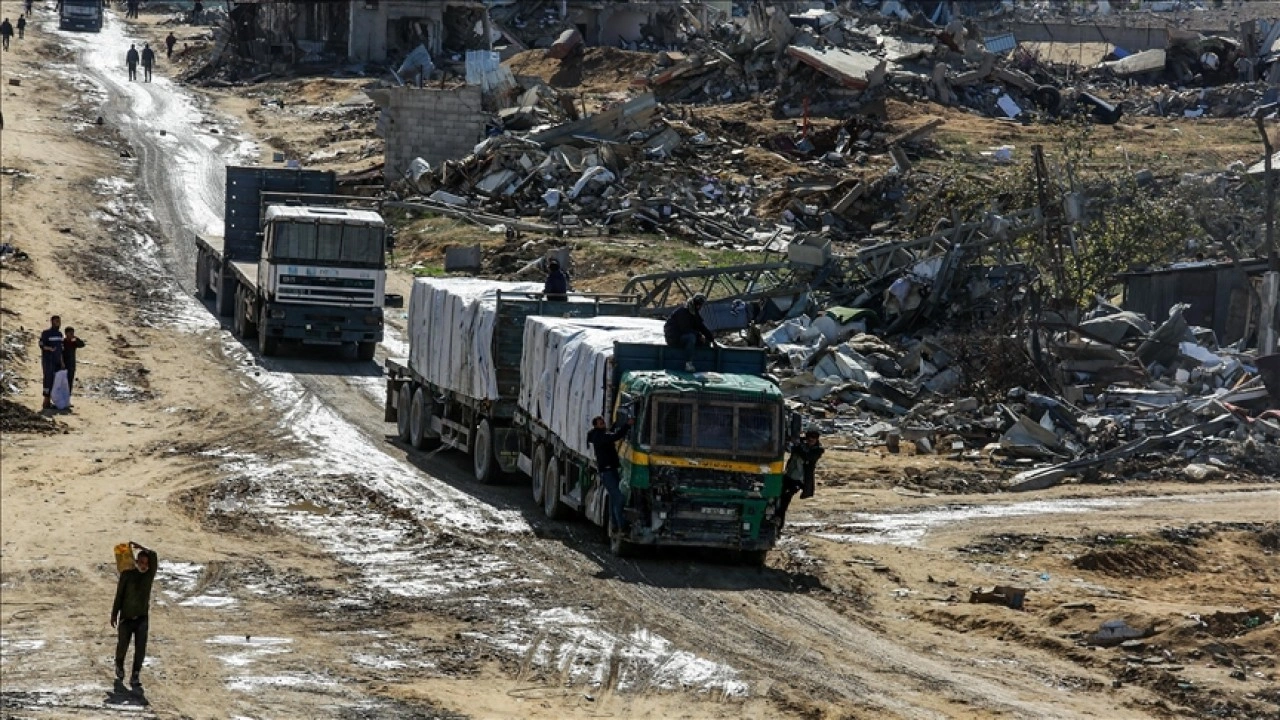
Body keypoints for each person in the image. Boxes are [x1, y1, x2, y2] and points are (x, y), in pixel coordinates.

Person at [111, 541, 158, 689]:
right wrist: (114, 614)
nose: (144, 565)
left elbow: (154, 555)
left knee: (140, 648)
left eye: (146, 563)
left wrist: (143, 547)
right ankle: (119, 665)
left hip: (142, 618)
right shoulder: (127, 575)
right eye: (142, 562)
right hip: (126, 618)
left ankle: (135, 673)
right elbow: (119, 595)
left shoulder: (148, 576)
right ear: (136, 561)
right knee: (122, 646)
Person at [587, 415, 631, 535]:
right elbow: (614, 436)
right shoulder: (600, 436)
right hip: (607, 473)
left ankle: (614, 526)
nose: (603, 424)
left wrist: (616, 424)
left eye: (603, 422)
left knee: (613, 499)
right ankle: (621, 526)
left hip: (611, 471)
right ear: (596, 425)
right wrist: (627, 425)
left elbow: (610, 433)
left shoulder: (600, 434)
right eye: (601, 423)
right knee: (619, 498)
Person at [778, 429, 823, 531]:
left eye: (814, 438)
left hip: (798, 480)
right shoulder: (800, 444)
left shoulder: (817, 450)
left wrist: (797, 446)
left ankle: (779, 525)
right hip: (788, 476)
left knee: (785, 500)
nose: (811, 440)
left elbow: (808, 457)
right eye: (809, 438)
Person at [663, 294, 715, 372]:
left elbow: (701, 327)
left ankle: (705, 366)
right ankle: (688, 363)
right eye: (698, 305)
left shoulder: (694, 313)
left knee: (705, 342)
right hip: (674, 338)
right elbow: (685, 329)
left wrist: (712, 340)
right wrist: (699, 335)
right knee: (691, 337)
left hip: (684, 336)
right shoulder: (683, 311)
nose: (699, 307)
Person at [38, 316, 64, 410]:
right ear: (52, 322)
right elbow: (41, 344)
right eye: (57, 321)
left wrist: (62, 362)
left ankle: (55, 401)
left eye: (59, 321)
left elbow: (61, 349)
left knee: (56, 381)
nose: (58, 323)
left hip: (57, 361)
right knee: (48, 379)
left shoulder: (60, 334)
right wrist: (49, 349)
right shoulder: (46, 333)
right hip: (48, 360)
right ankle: (46, 401)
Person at [61, 327, 86, 396]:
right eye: (70, 333)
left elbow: (82, 345)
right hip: (63, 364)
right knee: (62, 382)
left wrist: (76, 339)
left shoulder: (74, 342)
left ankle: (67, 399)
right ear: (66, 334)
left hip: (71, 365)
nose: (72, 335)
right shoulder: (63, 342)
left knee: (70, 382)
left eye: (73, 333)